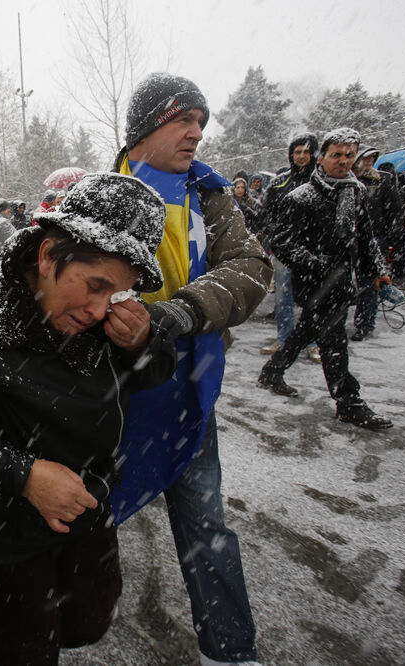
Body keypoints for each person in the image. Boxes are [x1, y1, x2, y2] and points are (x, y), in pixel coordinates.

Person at [0, 173, 177, 666]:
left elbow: (155, 371)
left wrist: (143, 342)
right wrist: (24, 476)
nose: (102, 309)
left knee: (89, 622)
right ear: (48, 254)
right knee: (29, 649)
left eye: (120, 294)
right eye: (96, 285)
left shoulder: (113, 312)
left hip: (88, 505)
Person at [110, 73, 271, 666]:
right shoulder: (102, 192)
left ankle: (230, 652)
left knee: (205, 523)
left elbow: (252, 267)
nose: (196, 132)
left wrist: (183, 310)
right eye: (184, 119)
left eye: (201, 121)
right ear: (145, 129)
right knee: (85, 510)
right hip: (111, 390)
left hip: (188, 388)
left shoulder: (211, 196)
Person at [259, 128, 393, 430]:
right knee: (334, 342)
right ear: (323, 157)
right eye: (336, 155)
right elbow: (282, 242)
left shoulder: (354, 190)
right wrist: (317, 264)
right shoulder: (301, 197)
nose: (343, 161)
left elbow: (366, 236)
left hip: (344, 280)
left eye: (349, 155)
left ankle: (272, 371)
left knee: (306, 330)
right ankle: (348, 401)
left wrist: (378, 271)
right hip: (316, 282)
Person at [259, 134, 322, 361]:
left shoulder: (322, 182)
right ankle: (284, 339)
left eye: (306, 152)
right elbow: (266, 215)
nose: (302, 156)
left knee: (313, 298)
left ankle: (312, 342)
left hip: (313, 253)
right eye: (297, 152)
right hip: (285, 252)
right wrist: (279, 236)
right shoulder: (279, 182)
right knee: (283, 298)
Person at [351, 145, 402, 339]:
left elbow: (394, 211)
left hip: (372, 238)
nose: (369, 162)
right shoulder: (345, 180)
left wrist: (393, 239)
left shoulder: (382, 180)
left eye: (373, 158)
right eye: (365, 158)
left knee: (368, 282)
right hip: (347, 239)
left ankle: (365, 323)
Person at [231, 177, 263, 241]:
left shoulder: (251, 202)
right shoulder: (230, 202)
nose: (240, 190)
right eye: (238, 187)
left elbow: (257, 218)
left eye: (242, 187)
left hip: (249, 234)